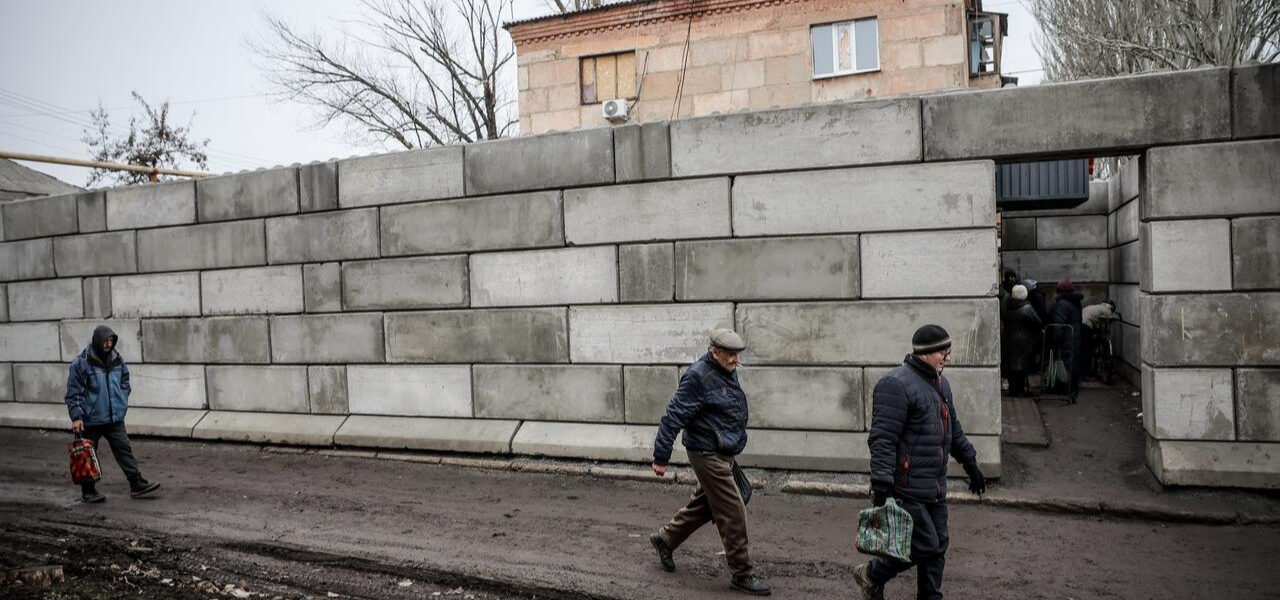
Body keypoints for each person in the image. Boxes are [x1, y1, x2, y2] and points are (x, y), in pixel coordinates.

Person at [854, 325, 985, 600]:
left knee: (939, 545)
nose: (947, 357)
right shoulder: (895, 384)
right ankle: (871, 574)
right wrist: (881, 485)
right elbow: (883, 439)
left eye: (948, 351)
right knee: (926, 544)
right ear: (924, 353)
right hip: (906, 488)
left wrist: (971, 464)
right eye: (942, 351)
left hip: (934, 486)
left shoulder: (941, 383)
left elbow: (954, 430)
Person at [649, 329, 770, 596]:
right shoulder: (697, 376)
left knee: (704, 506)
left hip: (723, 450)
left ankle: (665, 539)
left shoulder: (725, 369)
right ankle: (742, 573)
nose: (736, 360)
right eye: (730, 354)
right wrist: (661, 457)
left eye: (737, 354)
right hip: (706, 452)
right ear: (714, 351)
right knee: (733, 509)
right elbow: (672, 416)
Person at [65, 325, 160, 502]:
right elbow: (74, 393)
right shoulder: (81, 363)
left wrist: (122, 397)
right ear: (97, 341)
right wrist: (77, 417)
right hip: (91, 419)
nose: (109, 345)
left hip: (114, 418)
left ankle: (137, 483)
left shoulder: (117, 359)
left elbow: (125, 380)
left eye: (111, 341)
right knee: (87, 455)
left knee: (124, 449)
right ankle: (89, 491)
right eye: (105, 341)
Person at [1002, 285, 1042, 396]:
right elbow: (1037, 321)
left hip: (1009, 340)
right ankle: (1020, 390)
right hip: (1024, 342)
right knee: (1022, 367)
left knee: (1011, 366)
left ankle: (1012, 390)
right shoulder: (1026, 308)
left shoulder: (1007, 306)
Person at [1051, 280, 1085, 399]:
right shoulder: (1076, 302)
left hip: (1066, 338)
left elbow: (1059, 324)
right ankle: (1074, 388)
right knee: (1074, 362)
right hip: (1075, 336)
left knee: (1066, 362)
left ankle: (1066, 388)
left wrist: (1056, 339)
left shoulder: (1062, 304)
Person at [1080, 300, 1117, 379]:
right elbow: (1110, 321)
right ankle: (1087, 374)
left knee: (1083, 349)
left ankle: (1083, 373)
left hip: (1080, 322)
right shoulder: (1107, 310)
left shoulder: (1097, 306)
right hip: (1086, 324)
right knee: (1088, 350)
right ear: (1112, 307)